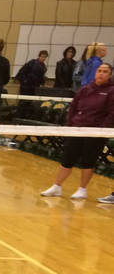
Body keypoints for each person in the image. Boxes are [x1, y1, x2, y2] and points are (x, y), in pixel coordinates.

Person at [40, 63, 114, 201]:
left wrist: (102, 129)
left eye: (105, 72)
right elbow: (73, 106)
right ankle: (57, 186)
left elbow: (112, 113)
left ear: (109, 75)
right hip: (77, 128)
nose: (101, 73)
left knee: (88, 161)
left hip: (95, 132)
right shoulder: (86, 88)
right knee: (67, 158)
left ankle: (82, 189)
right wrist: (71, 124)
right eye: (99, 70)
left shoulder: (111, 91)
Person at [14, 50, 48, 117]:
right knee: (22, 102)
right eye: (42, 56)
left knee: (29, 103)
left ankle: (25, 117)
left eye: (45, 57)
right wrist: (24, 81)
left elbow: (41, 78)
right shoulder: (32, 62)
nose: (43, 58)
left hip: (34, 87)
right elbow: (22, 71)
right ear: (39, 56)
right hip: (25, 86)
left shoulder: (44, 67)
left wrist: (43, 84)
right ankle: (18, 116)